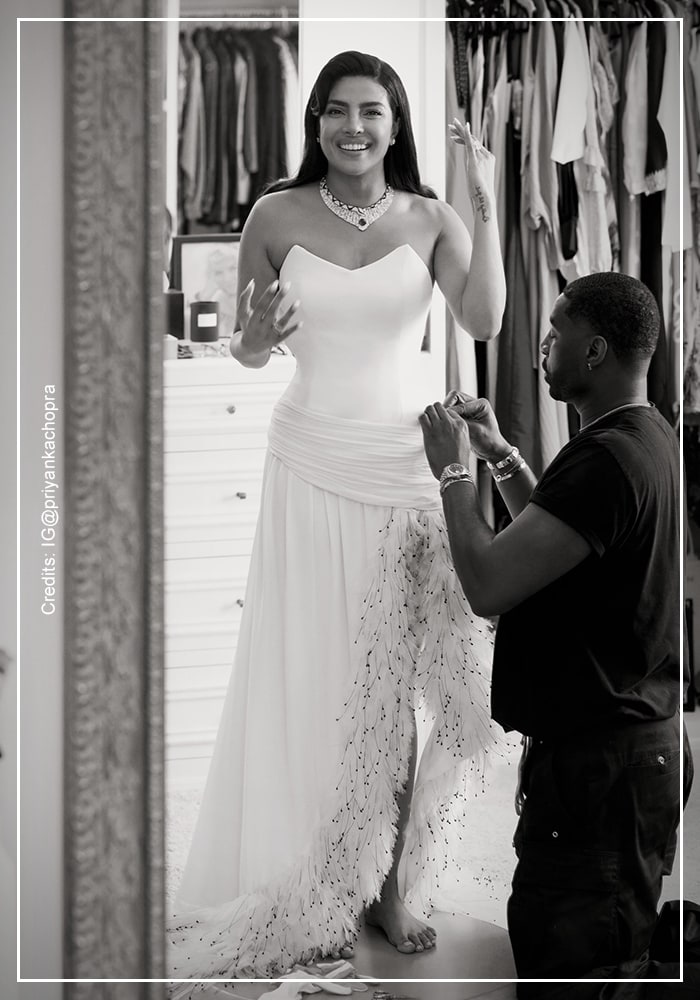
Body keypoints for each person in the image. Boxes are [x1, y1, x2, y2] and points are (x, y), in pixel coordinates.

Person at [167, 50, 507, 985]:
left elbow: (483, 319)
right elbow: (247, 347)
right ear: (315, 121)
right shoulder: (273, 215)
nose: (352, 128)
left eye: (370, 112)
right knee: (307, 672)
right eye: (335, 111)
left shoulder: (432, 218)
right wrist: (252, 341)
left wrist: (481, 192)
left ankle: (387, 887)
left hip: (402, 467)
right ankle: (307, 877)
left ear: (395, 125)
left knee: (388, 684)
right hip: (307, 461)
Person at [420, 271, 698, 997]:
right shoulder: (642, 434)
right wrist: (497, 453)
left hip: (608, 770)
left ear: (595, 350)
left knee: (578, 970)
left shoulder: (607, 459)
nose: (542, 345)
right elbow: (557, 536)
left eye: (555, 331)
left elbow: (490, 582)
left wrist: (451, 472)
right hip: (625, 754)